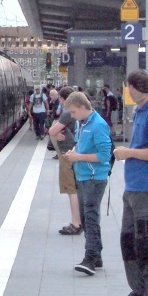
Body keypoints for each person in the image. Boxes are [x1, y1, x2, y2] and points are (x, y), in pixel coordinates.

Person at [110, 69, 148, 296]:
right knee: (129, 241)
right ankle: (139, 289)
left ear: (133, 87)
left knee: (147, 243)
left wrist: (129, 153)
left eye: (128, 88)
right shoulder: (140, 111)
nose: (127, 93)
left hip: (146, 189)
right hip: (133, 188)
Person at [62, 91, 113, 275]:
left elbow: (105, 155)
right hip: (83, 176)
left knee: (90, 217)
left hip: (94, 178)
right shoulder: (82, 124)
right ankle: (97, 255)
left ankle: (90, 258)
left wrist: (78, 157)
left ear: (84, 107)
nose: (72, 116)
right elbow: (82, 144)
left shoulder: (98, 125)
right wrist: (74, 151)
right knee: (86, 216)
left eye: (74, 112)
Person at [48, 87, 83, 236]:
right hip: (75, 153)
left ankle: (76, 223)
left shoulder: (67, 114)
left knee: (71, 189)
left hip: (68, 155)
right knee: (76, 188)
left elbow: (51, 131)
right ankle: (79, 220)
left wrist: (57, 133)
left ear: (63, 99)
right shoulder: (78, 113)